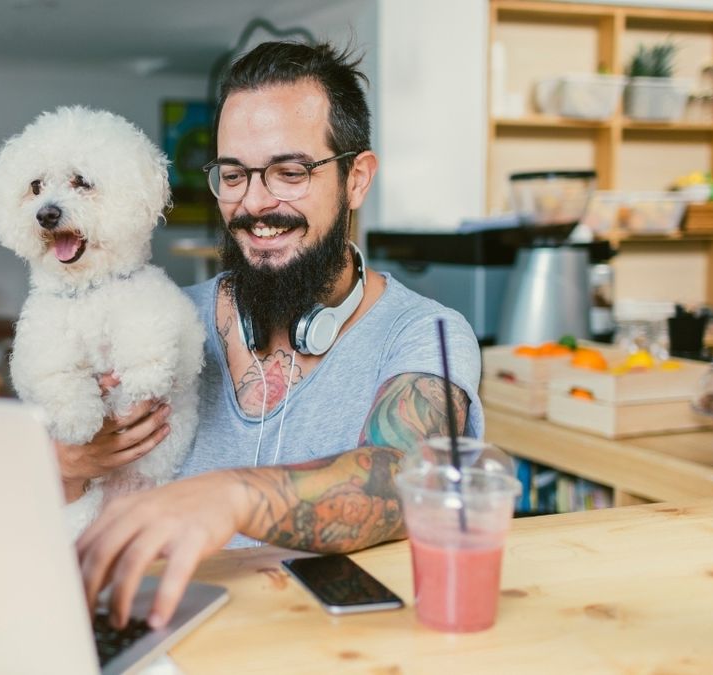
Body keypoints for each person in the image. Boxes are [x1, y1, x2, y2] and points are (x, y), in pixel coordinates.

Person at [56, 40, 483, 630]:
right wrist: (69, 462)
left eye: (290, 172)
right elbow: (55, 502)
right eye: (233, 175)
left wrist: (231, 495)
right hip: (160, 643)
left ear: (356, 179)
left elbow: (408, 477)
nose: (255, 203)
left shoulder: (424, 333)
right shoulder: (162, 321)